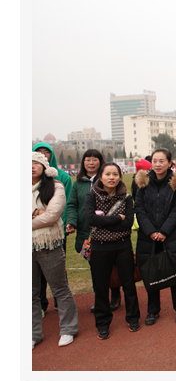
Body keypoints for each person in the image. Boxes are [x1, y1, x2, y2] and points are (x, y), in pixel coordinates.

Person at [85, 163, 141, 339]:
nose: (111, 177)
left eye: (115, 174)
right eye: (107, 174)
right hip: (99, 247)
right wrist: (117, 218)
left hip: (122, 246)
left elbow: (128, 223)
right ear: (101, 177)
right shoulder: (92, 195)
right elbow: (90, 219)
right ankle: (102, 323)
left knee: (128, 284)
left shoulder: (127, 198)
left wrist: (104, 223)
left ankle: (133, 318)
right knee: (101, 287)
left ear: (120, 176)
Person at [134, 148, 176, 324]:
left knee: (175, 270)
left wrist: (164, 231)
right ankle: (152, 310)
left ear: (169, 163)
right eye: (154, 161)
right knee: (151, 272)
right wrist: (151, 231)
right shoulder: (142, 182)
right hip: (148, 237)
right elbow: (139, 209)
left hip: (171, 235)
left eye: (161, 161)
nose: (157, 164)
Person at [32, 152, 79, 349]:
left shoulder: (55, 186)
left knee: (59, 288)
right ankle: (33, 333)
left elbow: (52, 215)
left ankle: (68, 328)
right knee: (29, 292)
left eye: (36, 163)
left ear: (45, 167)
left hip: (49, 244)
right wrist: (36, 212)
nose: (31, 166)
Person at [66, 149, 121, 313]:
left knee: (111, 265)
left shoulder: (106, 180)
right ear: (83, 163)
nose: (91, 163)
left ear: (100, 161)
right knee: (95, 268)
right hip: (86, 233)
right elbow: (72, 205)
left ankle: (115, 294)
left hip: (106, 229)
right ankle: (100, 299)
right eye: (87, 159)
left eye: (94, 159)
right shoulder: (78, 184)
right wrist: (71, 222)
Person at [32, 143, 72, 316]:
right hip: (30, 241)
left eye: (46, 152)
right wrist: (37, 211)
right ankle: (41, 304)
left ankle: (59, 305)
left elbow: (60, 208)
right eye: (38, 152)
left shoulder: (61, 179)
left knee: (58, 278)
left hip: (53, 234)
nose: (43, 154)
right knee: (32, 284)